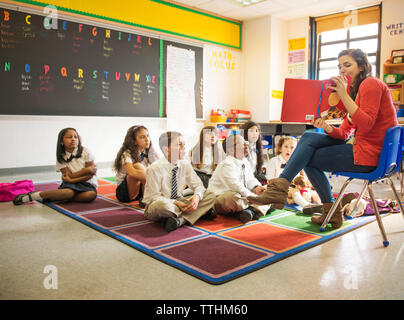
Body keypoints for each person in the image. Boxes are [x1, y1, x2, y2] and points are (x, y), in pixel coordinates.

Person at [248, 48, 398, 229]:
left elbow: (366, 124)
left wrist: (343, 94)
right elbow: (344, 133)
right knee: (309, 137)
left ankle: (320, 206)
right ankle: (286, 189)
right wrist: (326, 127)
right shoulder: (357, 94)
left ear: (362, 66)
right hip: (368, 151)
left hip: (371, 155)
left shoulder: (370, 84)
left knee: (308, 157)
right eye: (340, 66)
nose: (342, 70)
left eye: (347, 65)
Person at [142, 131, 216, 232]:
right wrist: (176, 203)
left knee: (210, 195)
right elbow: (152, 197)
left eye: (184, 144)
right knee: (162, 206)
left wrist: (197, 197)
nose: (184, 147)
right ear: (166, 149)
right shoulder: (154, 168)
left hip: (180, 201)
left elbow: (198, 185)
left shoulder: (185, 164)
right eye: (179, 144)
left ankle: (180, 220)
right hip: (161, 204)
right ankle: (199, 213)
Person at [13, 127, 97, 205]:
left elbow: (90, 175)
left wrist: (72, 178)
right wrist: (85, 171)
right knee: (68, 192)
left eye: (75, 137)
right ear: (61, 141)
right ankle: (32, 196)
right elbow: (69, 176)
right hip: (70, 185)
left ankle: (55, 196)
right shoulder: (61, 156)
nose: (73, 139)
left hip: (87, 184)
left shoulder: (86, 151)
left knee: (90, 195)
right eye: (69, 137)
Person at [207, 134, 269, 224]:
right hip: (222, 198)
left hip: (243, 196)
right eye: (242, 143)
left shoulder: (244, 161)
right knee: (233, 197)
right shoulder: (227, 164)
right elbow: (236, 186)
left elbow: (250, 179)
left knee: (268, 192)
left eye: (245, 142)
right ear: (231, 149)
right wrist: (254, 197)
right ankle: (255, 209)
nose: (246, 144)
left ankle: (249, 211)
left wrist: (256, 187)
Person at [113, 125, 159, 206]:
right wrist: (152, 178)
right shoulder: (127, 154)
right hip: (125, 192)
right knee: (138, 166)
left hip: (141, 189)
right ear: (134, 141)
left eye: (148, 136)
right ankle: (149, 199)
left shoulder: (151, 152)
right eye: (142, 137)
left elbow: (160, 169)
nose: (147, 139)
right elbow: (132, 173)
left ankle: (148, 199)